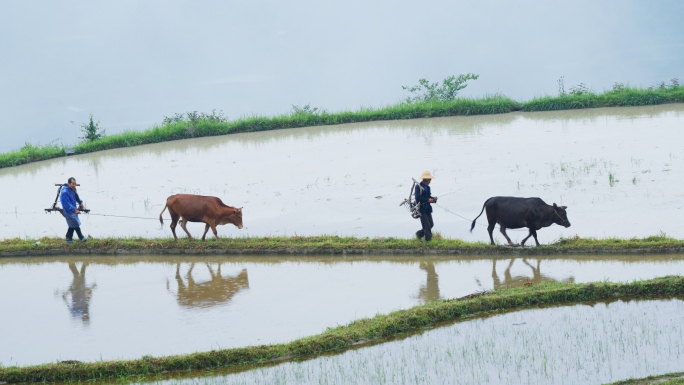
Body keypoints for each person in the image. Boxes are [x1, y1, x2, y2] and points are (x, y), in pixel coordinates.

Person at [60, 177, 87, 243]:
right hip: (68, 210)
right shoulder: (64, 192)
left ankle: (68, 238)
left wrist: (80, 202)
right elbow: (66, 204)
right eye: (73, 184)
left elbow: (76, 197)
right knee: (75, 223)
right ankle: (81, 237)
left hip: (73, 209)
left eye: (75, 184)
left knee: (72, 224)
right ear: (69, 183)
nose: (74, 185)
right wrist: (74, 210)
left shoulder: (73, 189)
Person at [415, 170, 438, 241]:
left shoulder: (428, 187)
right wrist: (427, 200)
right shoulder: (418, 187)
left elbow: (428, 196)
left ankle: (419, 233)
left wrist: (433, 199)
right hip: (421, 209)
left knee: (431, 224)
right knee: (427, 225)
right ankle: (428, 241)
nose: (430, 181)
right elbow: (418, 197)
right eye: (429, 179)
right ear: (425, 179)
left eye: (430, 179)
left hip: (427, 209)